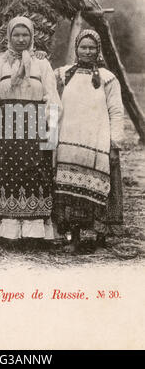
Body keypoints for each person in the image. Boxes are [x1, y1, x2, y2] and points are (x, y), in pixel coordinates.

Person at [0, 16, 62, 242]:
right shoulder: (0, 62)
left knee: (35, 175)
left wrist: (50, 128)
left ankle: (33, 231)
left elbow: (52, 98)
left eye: (25, 35)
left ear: (32, 36)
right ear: (9, 36)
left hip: (36, 127)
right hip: (7, 126)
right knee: (7, 174)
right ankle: (8, 231)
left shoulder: (42, 63)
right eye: (16, 35)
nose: (20, 39)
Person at [53, 29, 124, 253]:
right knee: (71, 192)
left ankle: (99, 239)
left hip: (97, 145)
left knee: (98, 191)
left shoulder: (108, 78)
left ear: (98, 50)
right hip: (69, 145)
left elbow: (116, 111)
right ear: (76, 49)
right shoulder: (63, 75)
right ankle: (73, 237)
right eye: (83, 47)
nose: (87, 51)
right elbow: (51, 102)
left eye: (92, 47)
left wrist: (115, 144)